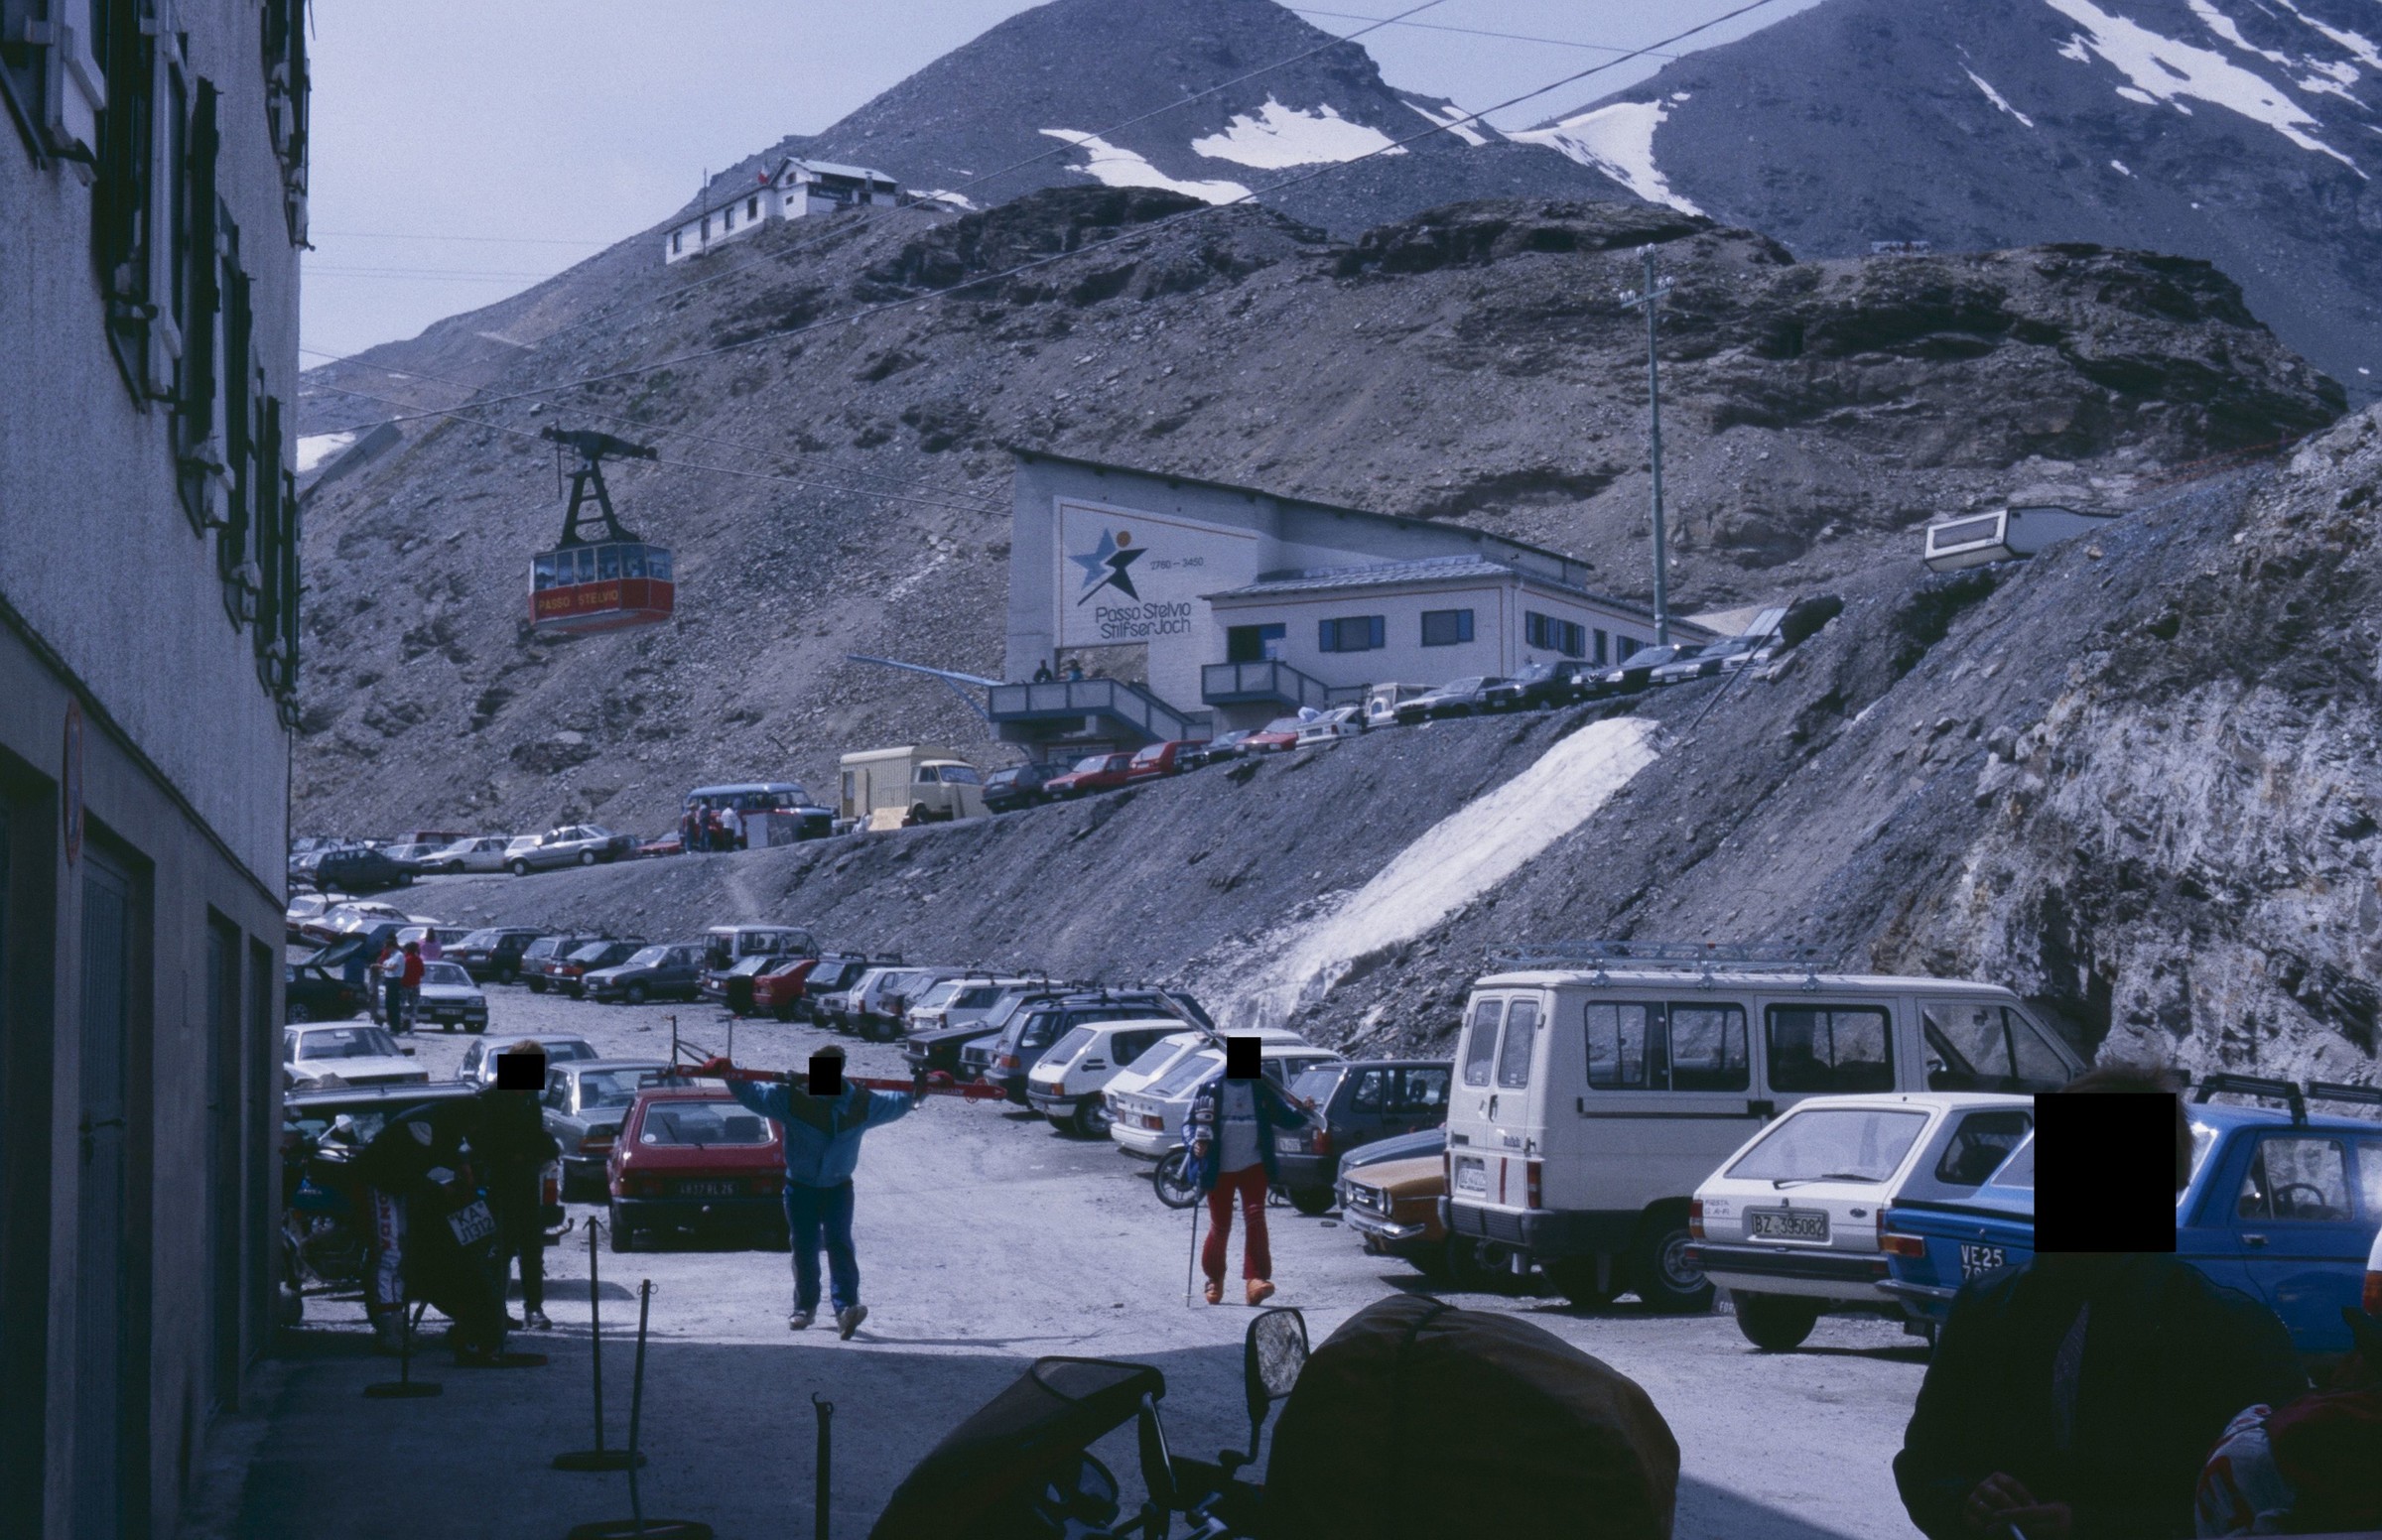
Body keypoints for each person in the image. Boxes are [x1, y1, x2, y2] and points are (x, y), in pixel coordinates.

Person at [1895, 1063, 2308, 1540]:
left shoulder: (2229, 1329)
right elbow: (1926, 1461)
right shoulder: (1986, 1308)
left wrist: (2096, 1527)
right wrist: (1965, 1501)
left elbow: (2275, 1501)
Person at [698, 1045, 917, 1339]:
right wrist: (730, 1072)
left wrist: (923, 1086)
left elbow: (897, 1103)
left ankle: (846, 1309)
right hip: (800, 1188)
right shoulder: (792, 1099)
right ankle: (804, 1307)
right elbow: (754, 1094)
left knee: (839, 1243)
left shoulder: (859, 1104)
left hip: (838, 1188)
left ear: (839, 1071)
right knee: (804, 1246)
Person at [350, 1094, 509, 1361]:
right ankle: (390, 1327)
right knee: (390, 1252)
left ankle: (394, 1322)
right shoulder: (423, 1125)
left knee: (398, 1252)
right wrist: (439, 1188)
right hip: (381, 1183)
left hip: (398, 1185)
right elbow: (406, 1170)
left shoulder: (442, 1122)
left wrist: (461, 1169)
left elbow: (448, 1151)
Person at [1186, 1038, 1317, 1307]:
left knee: (1256, 1218)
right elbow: (1189, 1124)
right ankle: (1214, 1278)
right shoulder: (1210, 1088)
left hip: (1253, 1164)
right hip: (1219, 1167)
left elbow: (1285, 1117)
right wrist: (1194, 1145)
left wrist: (1304, 1112)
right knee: (1221, 1225)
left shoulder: (1260, 1089)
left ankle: (1255, 1280)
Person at [479, 1046, 561, 1332]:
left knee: (531, 1248)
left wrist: (540, 1147)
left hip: (526, 1182)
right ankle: (494, 1311)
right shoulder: (490, 1097)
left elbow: (535, 1136)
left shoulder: (529, 1098)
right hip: (498, 1185)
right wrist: (522, 1150)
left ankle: (533, 1308)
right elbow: (488, 1143)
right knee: (499, 1250)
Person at [396, 941, 425, 1033]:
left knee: (402, 1006)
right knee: (414, 1007)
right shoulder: (419, 960)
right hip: (415, 986)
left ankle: (400, 1025)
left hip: (404, 986)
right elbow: (422, 973)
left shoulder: (405, 959)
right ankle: (412, 1028)